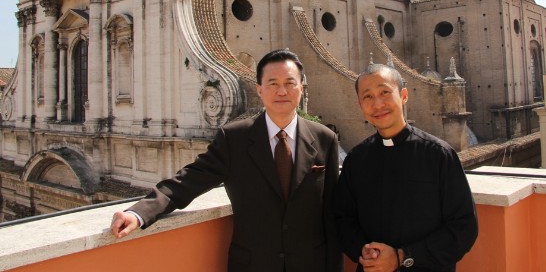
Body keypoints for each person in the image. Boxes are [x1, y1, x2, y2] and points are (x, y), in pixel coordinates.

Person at [111, 49, 343, 272]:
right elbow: (189, 179)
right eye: (273, 84)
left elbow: (332, 213)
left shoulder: (325, 139)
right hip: (253, 265)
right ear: (259, 89)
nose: (281, 91)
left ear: (301, 88)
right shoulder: (234, 138)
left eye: (290, 83)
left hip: (311, 265)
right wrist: (139, 213)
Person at [334, 64, 478, 272]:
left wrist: (403, 256)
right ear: (360, 104)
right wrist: (364, 251)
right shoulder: (356, 159)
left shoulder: (438, 155)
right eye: (368, 97)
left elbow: (463, 227)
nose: (378, 104)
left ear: (403, 95)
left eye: (385, 92)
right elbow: (342, 219)